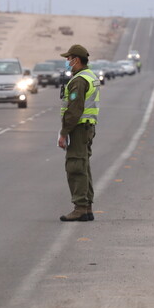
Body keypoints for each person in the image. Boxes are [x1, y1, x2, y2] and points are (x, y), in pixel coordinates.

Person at [57, 44, 100, 222]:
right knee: (83, 166)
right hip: (87, 127)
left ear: (77, 59)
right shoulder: (90, 76)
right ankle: (87, 207)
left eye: (69, 59)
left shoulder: (79, 80)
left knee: (75, 167)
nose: (67, 62)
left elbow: (74, 110)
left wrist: (64, 132)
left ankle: (80, 207)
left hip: (79, 128)